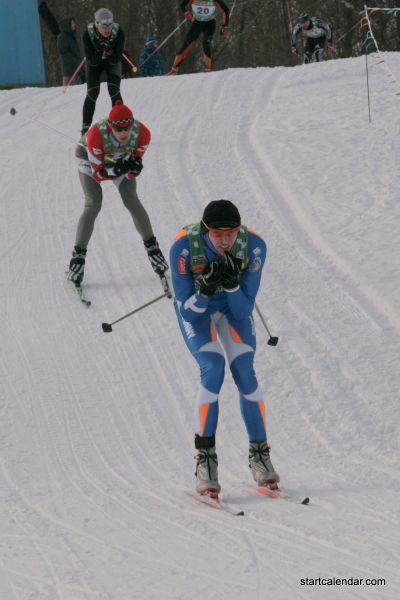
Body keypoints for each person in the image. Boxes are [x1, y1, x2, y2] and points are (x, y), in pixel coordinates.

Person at [169, 200, 279, 497]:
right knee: (213, 370)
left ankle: (260, 455)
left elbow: (244, 311)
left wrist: (231, 286)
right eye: (217, 234)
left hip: (233, 310)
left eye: (231, 232)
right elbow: (188, 313)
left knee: (245, 373)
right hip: (198, 311)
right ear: (206, 230)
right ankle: (205, 460)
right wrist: (204, 291)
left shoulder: (253, 246)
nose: (225, 240)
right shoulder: (183, 248)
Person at [68, 102, 169, 285]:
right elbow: (99, 173)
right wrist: (118, 169)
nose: (124, 133)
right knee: (93, 203)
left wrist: (133, 168)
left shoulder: (143, 134)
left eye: (127, 128)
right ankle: (78, 257)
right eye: (118, 129)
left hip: (118, 159)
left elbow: (133, 170)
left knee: (131, 199)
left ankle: (153, 248)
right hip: (89, 159)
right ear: (110, 126)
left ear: (132, 124)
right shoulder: (96, 135)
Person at [81, 8, 125, 135]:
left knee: (114, 90)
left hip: (112, 63)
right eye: (104, 26)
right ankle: (85, 128)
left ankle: (121, 125)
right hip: (94, 64)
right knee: (92, 92)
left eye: (109, 25)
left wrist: (110, 50)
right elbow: (92, 61)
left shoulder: (118, 32)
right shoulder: (88, 33)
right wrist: (99, 50)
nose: (107, 29)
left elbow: (115, 60)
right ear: (96, 24)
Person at [168, 1, 230, 75]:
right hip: (197, 23)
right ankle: (174, 69)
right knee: (187, 44)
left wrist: (224, 26)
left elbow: (225, 9)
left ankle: (208, 69)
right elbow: (182, 5)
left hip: (210, 23)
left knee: (206, 43)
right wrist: (186, 12)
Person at [57, 17, 84, 86]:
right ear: (67, 25)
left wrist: (81, 61)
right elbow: (64, 53)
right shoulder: (62, 37)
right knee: (70, 91)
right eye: (72, 23)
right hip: (69, 71)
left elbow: (76, 52)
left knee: (77, 91)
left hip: (77, 69)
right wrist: (76, 61)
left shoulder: (72, 37)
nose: (74, 25)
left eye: (74, 23)